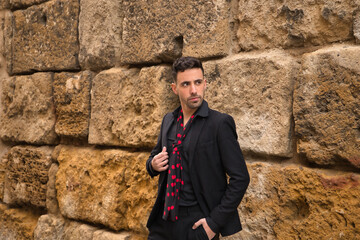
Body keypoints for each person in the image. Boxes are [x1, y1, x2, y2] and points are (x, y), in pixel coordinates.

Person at [146, 56, 250, 240]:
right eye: (185, 84)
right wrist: (152, 165)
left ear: (205, 83)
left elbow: (240, 178)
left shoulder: (219, 124)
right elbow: (154, 155)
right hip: (163, 222)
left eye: (198, 82)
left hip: (196, 223)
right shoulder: (168, 120)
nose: (193, 90)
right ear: (174, 88)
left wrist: (213, 223)